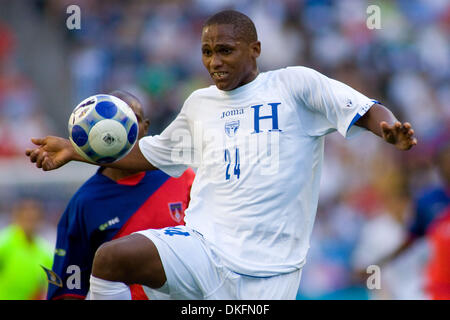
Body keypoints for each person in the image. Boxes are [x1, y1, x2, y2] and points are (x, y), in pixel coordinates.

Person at [26, 10, 417, 300]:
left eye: (225, 51)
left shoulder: (295, 85)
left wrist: (388, 127)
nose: (214, 62)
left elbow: (363, 109)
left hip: (269, 275)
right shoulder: (199, 103)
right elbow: (151, 153)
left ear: (255, 49)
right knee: (111, 260)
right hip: (203, 250)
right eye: (207, 52)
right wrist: (75, 150)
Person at [45, 90, 195, 300]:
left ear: (146, 127)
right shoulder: (85, 202)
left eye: (132, 120)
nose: (120, 130)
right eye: (109, 123)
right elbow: (70, 287)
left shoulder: (181, 177)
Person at [0, 199, 53, 300]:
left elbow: (48, 286)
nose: (30, 222)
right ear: (17, 217)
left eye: (33, 219)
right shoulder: (4, 244)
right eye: (26, 218)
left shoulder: (45, 252)